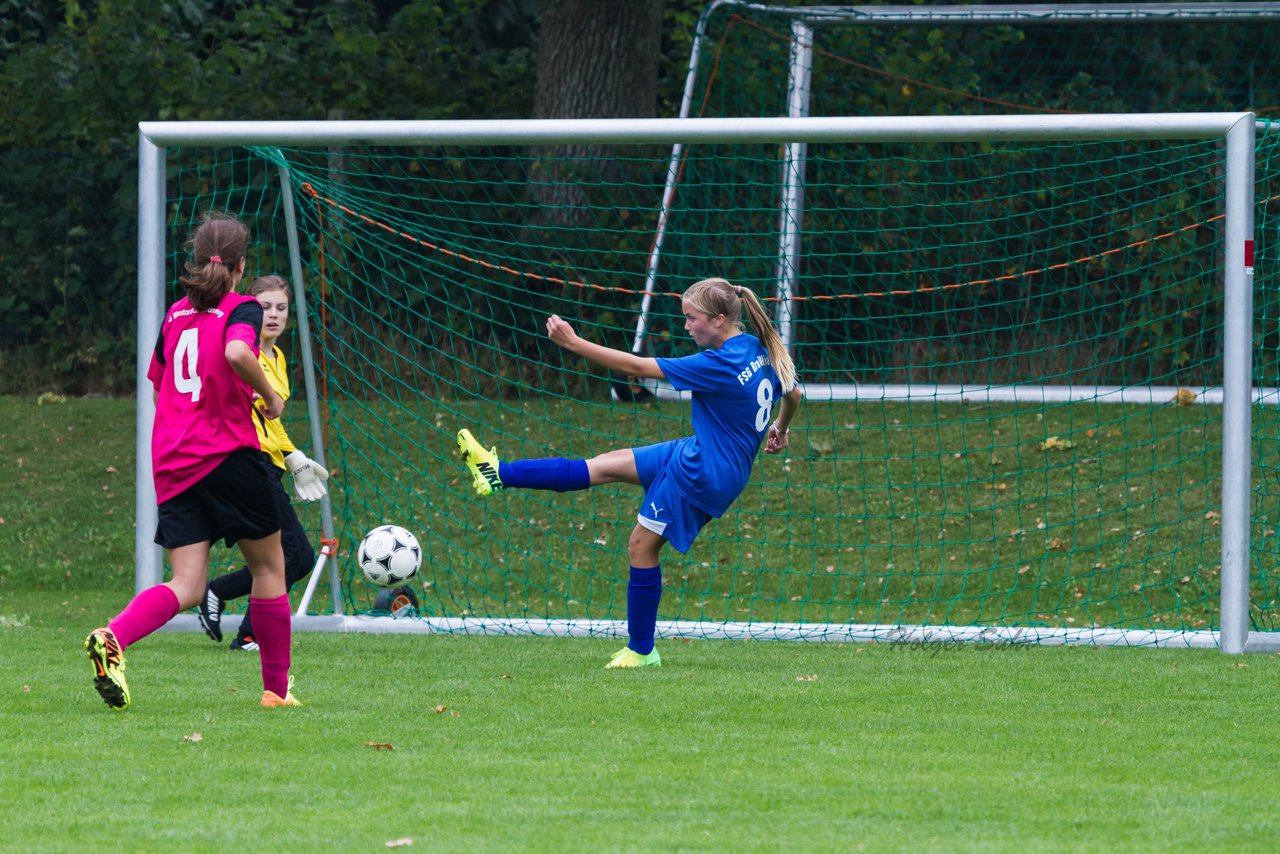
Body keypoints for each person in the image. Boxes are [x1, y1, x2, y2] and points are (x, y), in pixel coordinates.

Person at [457, 276, 802, 668]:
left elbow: (637, 367)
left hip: (703, 472)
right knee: (604, 465)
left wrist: (573, 343)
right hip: (704, 453)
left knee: (641, 545)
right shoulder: (754, 347)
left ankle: (641, 650)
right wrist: (781, 429)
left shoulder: (718, 363)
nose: (686, 326)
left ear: (719, 319)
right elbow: (792, 394)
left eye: (692, 319)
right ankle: (498, 472)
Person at [85, 212, 299, 709]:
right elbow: (239, 354)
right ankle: (276, 692)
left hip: (174, 461)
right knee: (271, 567)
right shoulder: (241, 308)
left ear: (197, 262)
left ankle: (113, 637)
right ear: (241, 265)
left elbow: (160, 385)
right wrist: (270, 397)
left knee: (185, 583)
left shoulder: (175, 314)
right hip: (227, 454)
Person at [197, 275, 328, 652]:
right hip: (247, 463)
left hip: (269, 464)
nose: (272, 315)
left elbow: (272, 417)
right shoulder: (244, 351)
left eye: (281, 308)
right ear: (250, 309)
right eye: (265, 307)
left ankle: (218, 594)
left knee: (295, 557)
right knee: (293, 555)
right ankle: (249, 634)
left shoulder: (278, 357)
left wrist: (292, 455)